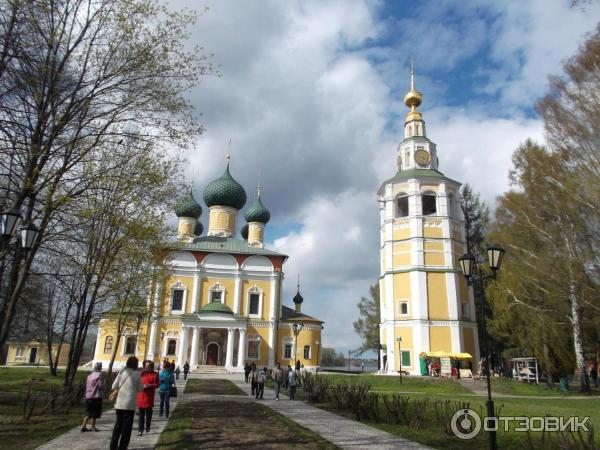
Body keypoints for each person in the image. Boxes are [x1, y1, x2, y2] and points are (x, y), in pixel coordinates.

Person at [110, 356, 143, 450]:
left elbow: (113, 386)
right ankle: (122, 447)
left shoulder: (122, 372)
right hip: (130, 405)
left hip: (120, 404)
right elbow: (140, 389)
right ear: (136, 364)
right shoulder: (136, 374)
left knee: (118, 426)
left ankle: (113, 446)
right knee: (126, 428)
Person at [137, 360, 159, 436]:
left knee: (148, 414)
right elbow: (136, 383)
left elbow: (157, 384)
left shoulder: (155, 374)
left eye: (148, 366)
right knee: (141, 414)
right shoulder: (141, 373)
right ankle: (140, 429)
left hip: (149, 397)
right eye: (145, 366)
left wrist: (150, 385)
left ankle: (148, 426)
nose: (146, 368)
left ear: (151, 367)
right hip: (141, 396)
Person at [82, 362, 104, 432]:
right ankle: (93, 427)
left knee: (88, 411)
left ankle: (84, 426)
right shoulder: (99, 375)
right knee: (95, 412)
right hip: (96, 396)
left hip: (88, 396)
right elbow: (100, 386)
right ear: (100, 368)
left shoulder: (89, 375)